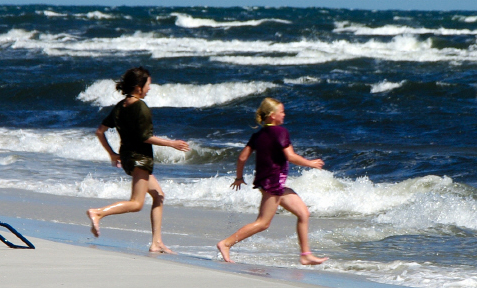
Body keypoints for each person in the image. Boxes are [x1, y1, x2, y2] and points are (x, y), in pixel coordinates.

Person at [86, 66, 190, 252]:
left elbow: (99, 131)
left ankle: (156, 242)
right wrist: (172, 143)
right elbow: (145, 137)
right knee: (136, 203)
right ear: (138, 87)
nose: (150, 88)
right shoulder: (141, 107)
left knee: (159, 196)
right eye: (148, 84)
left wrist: (111, 153)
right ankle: (98, 212)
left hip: (127, 157)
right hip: (140, 159)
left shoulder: (120, 106)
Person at [216, 97, 328, 266]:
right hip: (274, 183)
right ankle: (226, 243)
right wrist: (310, 163)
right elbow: (290, 156)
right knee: (262, 223)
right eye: (281, 111)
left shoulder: (258, 135)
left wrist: (239, 177)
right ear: (272, 115)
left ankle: (306, 254)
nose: (284, 114)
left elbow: (242, 157)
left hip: (270, 182)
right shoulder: (281, 132)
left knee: (303, 213)